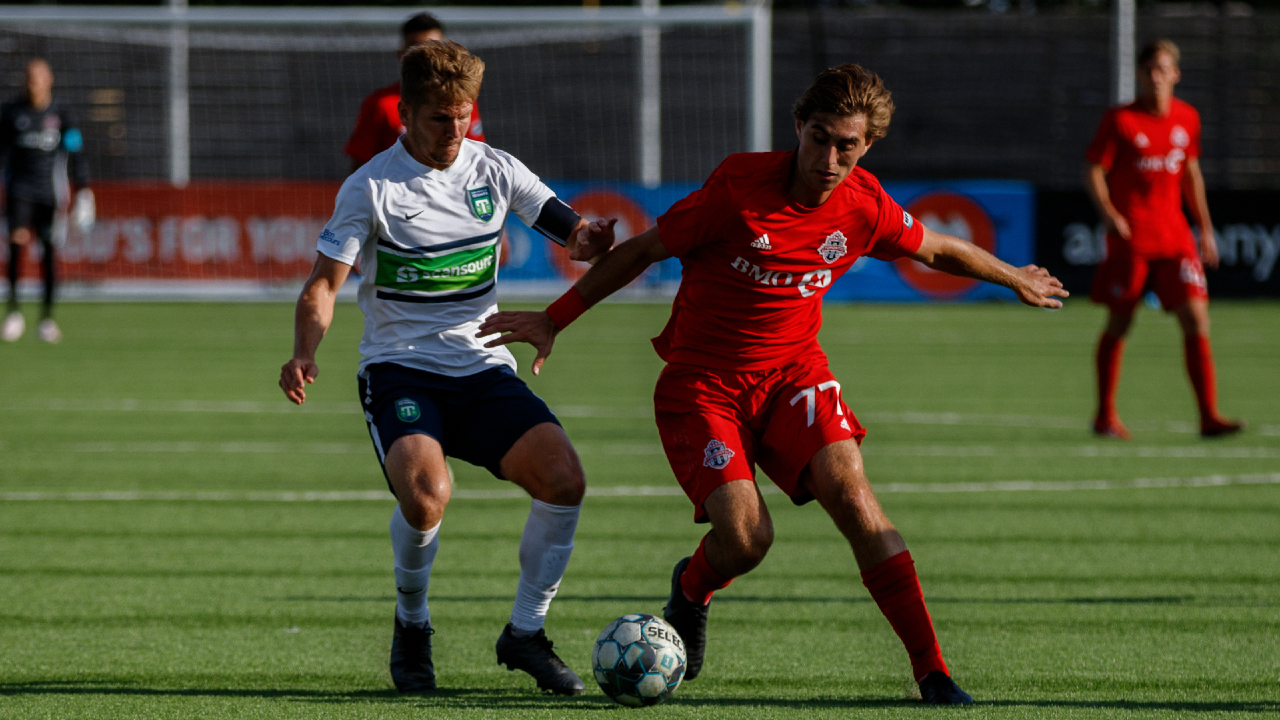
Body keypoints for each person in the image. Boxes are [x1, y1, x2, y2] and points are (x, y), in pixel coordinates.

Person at [479, 64, 1069, 705]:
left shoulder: (864, 206)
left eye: (849, 144)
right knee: (747, 540)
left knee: (857, 499)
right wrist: (553, 318)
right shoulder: (737, 189)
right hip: (703, 386)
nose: (831, 157)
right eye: (821, 138)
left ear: (868, 145)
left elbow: (935, 249)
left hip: (795, 374)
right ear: (798, 127)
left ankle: (932, 672)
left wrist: (1014, 275)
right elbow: (644, 249)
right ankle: (694, 587)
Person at [279, 40, 613, 695]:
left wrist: (589, 242)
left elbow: (567, 229)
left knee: (564, 480)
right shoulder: (371, 186)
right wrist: (304, 351)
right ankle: (412, 623)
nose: (455, 131)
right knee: (427, 496)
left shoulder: (494, 169)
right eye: (440, 117)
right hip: (400, 370)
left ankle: (524, 633)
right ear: (405, 113)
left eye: (465, 115)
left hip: (483, 366)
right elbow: (323, 284)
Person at [1084, 39, 1242, 440]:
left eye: (1163, 69)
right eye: (1149, 70)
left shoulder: (1187, 118)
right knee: (1120, 323)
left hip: (1175, 239)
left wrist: (1204, 228)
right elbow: (1094, 171)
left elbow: (1191, 174)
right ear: (1140, 75)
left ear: (1176, 74)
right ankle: (1104, 415)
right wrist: (1109, 214)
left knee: (1197, 318)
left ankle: (1208, 416)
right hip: (1132, 239)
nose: (1156, 77)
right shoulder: (1121, 120)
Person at [1, 58, 93, 343]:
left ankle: (47, 319)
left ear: (49, 79)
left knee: (48, 252)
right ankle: (14, 312)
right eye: (30, 78)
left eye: (39, 77)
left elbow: (75, 151)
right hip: (19, 190)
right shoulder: (11, 112)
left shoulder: (62, 114)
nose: (34, 83)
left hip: (50, 192)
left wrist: (84, 190)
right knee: (16, 244)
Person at [344, 12, 485, 174]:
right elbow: (360, 166)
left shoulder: (463, 100)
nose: (426, 56)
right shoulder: (380, 104)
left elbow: (475, 155)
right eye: (416, 49)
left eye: (433, 48)